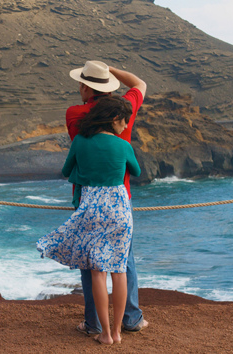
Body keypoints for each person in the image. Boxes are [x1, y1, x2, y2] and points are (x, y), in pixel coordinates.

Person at [37, 96, 141, 345]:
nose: (126, 126)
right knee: (119, 272)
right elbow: (135, 171)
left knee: (97, 273)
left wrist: (83, 173)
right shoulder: (122, 144)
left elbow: (66, 171)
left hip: (92, 209)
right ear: (115, 119)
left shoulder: (81, 141)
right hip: (120, 210)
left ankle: (104, 334)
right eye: (124, 121)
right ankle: (118, 332)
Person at [66, 61, 149, 336]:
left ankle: (94, 324)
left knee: (91, 263)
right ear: (109, 87)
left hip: (87, 197)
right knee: (124, 261)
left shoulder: (75, 114)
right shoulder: (124, 109)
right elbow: (140, 84)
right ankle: (131, 319)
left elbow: (71, 165)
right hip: (119, 198)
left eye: (81, 85)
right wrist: (110, 70)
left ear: (86, 87)